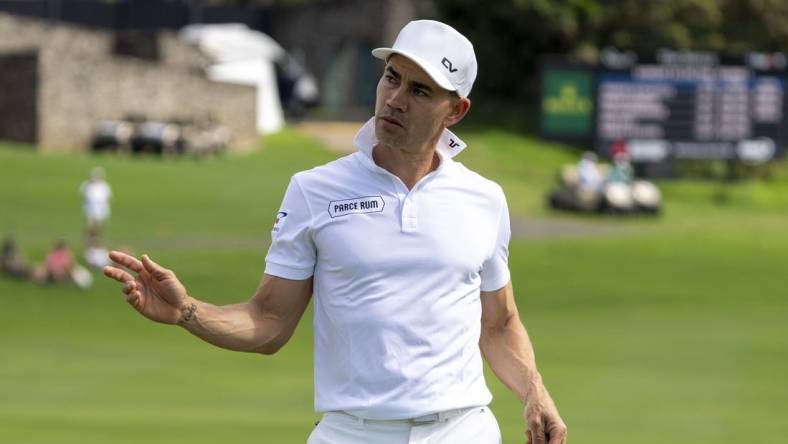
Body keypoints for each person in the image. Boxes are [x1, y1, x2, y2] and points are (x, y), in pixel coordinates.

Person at [103, 20, 566, 444]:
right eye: (392, 78)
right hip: (351, 433)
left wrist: (534, 391)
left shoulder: (484, 199)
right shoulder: (314, 190)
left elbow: (499, 324)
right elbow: (268, 323)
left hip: (462, 430)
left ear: (456, 111)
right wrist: (187, 311)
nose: (396, 99)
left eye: (421, 91)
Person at [80, 166, 112, 248]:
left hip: (101, 207)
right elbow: (84, 196)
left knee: (100, 225)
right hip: (92, 207)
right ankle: (88, 239)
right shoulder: (88, 185)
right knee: (91, 225)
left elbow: (107, 198)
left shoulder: (104, 185)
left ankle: (98, 240)